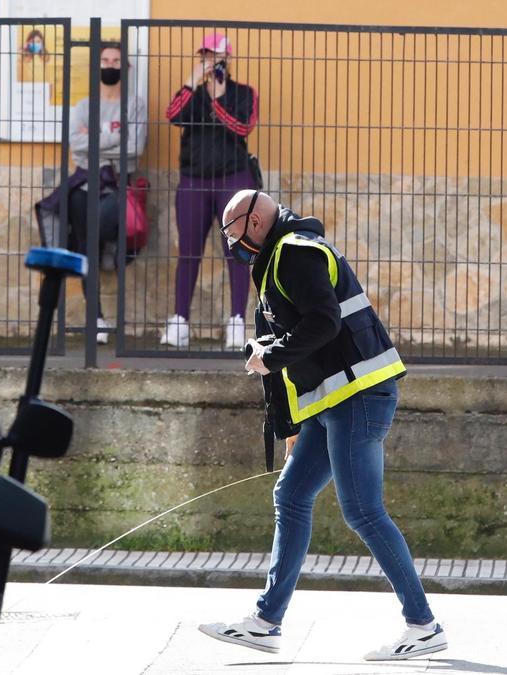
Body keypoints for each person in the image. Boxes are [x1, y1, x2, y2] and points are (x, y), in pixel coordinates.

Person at [197, 190, 447, 662]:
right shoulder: (277, 257)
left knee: (364, 512)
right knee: (290, 496)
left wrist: (268, 357)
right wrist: (295, 421)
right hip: (334, 400)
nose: (232, 245)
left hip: (359, 397)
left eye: (233, 234)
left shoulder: (295, 253)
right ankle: (266, 622)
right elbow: (306, 340)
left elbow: (324, 323)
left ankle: (423, 625)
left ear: (254, 223)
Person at [34, 43, 147, 343]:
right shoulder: (84, 106)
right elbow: (76, 146)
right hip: (82, 185)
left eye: (116, 60)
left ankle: (109, 264)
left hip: (116, 187)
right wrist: (116, 136)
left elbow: (134, 149)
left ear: (126, 68)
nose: (110, 65)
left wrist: (94, 138)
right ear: (98, 66)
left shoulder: (134, 104)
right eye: (105, 60)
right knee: (86, 246)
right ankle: (95, 318)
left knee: (101, 234)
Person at [162, 33, 260, 349]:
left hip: (233, 177)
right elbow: (173, 115)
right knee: (189, 251)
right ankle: (179, 321)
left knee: (237, 250)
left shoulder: (244, 94)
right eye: (204, 55)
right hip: (194, 179)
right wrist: (192, 83)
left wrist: (217, 99)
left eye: (215, 55)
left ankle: (236, 321)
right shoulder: (192, 94)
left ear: (227, 59)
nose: (209, 60)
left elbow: (243, 127)